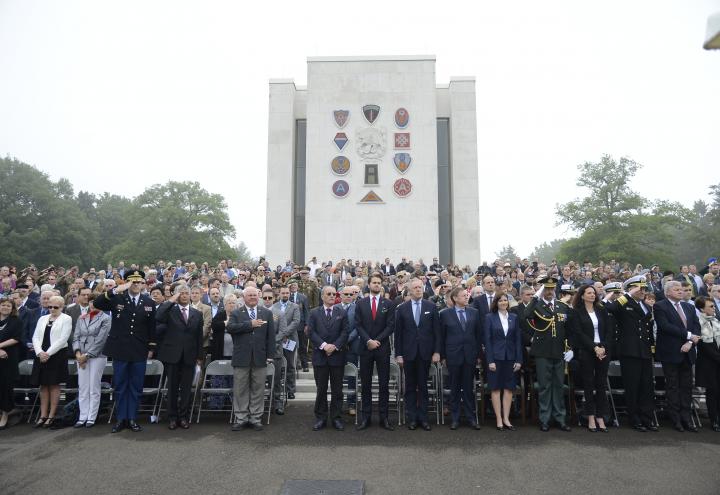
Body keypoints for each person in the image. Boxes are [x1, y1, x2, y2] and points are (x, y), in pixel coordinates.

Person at [94, 270, 157, 433]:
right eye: (132, 282)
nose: (136, 285)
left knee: (136, 386)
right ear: (127, 283)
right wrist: (116, 289)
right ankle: (121, 418)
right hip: (120, 348)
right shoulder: (117, 298)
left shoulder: (148, 301)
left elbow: (151, 328)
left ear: (143, 283)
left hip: (139, 349)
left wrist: (151, 347)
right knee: (121, 385)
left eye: (139, 282)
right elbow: (98, 303)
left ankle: (132, 418)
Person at [605, 275, 656, 431]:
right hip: (629, 351)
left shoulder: (645, 306)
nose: (643, 291)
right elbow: (608, 307)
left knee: (646, 386)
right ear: (631, 288)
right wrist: (626, 295)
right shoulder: (623, 303)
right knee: (632, 386)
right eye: (640, 288)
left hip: (645, 351)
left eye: (644, 288)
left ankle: (647, 418)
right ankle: (635, 419)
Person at [523, 276, 571, 432]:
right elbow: (526, 315)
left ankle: (560, 418)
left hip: (559, 351)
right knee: (544, 387)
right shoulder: (537, 305)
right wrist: (536, 296)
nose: (550, 292)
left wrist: (570, 348)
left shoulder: (562, 306)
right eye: (547, 289)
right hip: (542, 352)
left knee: (558, 386)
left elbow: (569, 329)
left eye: (552, 289)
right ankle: (545, 419)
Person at [654, 280, 701, 432]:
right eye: (677, 289)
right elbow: (665, 326)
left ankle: (686, 418)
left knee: (686, 388)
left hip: (688, 352)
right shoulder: (660, 306)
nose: (681, 291)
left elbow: (696, 327)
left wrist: (690, 343)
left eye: (682, 289)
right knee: (673, 386)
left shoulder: (689, 306)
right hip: (671, 353)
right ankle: (675, 419)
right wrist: (688, 335)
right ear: (668, 292)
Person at [394, 277, 441, 430]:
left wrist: (436, 352)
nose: (418, 290)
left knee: (423, 386)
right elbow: (398, 334)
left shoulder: (431, 306)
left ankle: (424, 418)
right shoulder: (402, 308)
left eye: (420, 287)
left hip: (425, 353)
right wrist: (399, 354)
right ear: (409, 290)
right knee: (410, 387)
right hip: (408, 354)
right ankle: (412, 417)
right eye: (415, 288)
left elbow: (436, 333)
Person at [155, 285, 204, 430]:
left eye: (186, 293)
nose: (184, 295)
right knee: (172, 388)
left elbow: (199, 337)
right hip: (172, 356)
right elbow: (158, 316)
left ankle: (183, 417)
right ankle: (172, 417)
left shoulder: (197, 313)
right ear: (177, 295)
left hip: (189, 355)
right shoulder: (170, 311)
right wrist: (171, 300)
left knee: (186, 389)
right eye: (181, 293)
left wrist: (199, 356)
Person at [227, 287, 275, 431]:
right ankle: (241, 418)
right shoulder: (236, 312)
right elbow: (231, 328)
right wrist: (250, 324)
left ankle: (255, 418)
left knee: (258, 389)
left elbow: (270, 337)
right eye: (250, 295)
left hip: (260, 357)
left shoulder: (266, 313)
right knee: (240, 389)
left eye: (255, 295)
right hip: (241, 357)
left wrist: (270, 355)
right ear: (244, 297)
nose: (253, 297)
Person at [568, 284, 612, 432]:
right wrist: (594, 347)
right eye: (589, 293)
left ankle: (601, 416)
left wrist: (603, 347)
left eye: (594, 293)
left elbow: (608, 331)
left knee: (601, 384)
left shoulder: (602, 310)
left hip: (603, 350)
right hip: (587, 350)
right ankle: (591, 416)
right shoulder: (576, 312)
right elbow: (579, 333)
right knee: (588, 384)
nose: (592, 295)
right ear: (582, 295)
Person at [355, 273, 396, 431]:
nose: (377, 285)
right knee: (365, 384)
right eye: (374, 282)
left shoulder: (389, 303)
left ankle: (384, 418)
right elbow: (358, 325)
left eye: (379, 283)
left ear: (382, 285)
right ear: (369, 284)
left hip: (382, 348)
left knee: (383, 384)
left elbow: (390, 326)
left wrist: (376, 341)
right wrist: (368, 341)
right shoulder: (361, 303)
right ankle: (366, 417)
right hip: (365, 348)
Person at [439, 286, 482, 430]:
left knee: (468, 388)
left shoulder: (474, 312)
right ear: (455, 298)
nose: (467, 297)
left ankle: (471, 418)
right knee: (455, 388)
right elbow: (442, 337)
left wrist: (477, 355)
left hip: (469, 355)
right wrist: (443, 356)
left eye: (467, 295)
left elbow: (478, 335)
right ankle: (455, 418)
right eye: (463, 295)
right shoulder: (445, 314)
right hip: (453, 355)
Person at [308, 285, 349, 431]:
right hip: (320, 357)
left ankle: (336, 418)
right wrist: (324, 346)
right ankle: (321, 418)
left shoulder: (342, 312)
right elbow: (311, 332)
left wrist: (334, 346)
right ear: (322, 296)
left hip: (337, 356)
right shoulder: (314, 313)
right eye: (329, 294)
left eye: (334, 294)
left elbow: (345, 332)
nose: (332, 296)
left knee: (338, 390)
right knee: (321, 390)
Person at [30, 295, 72, 429]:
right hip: (41, 354)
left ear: (62, 307)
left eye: (55, 307)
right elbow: (35, 336)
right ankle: (43, 415)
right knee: (43, 385)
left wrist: (48, 353)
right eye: (50, 307)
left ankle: (51, 415)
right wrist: (39, 352)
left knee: (54, 385)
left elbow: (63, 339)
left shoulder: (66, 318)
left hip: (56, 355)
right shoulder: (42, 318)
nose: (52, 309)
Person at [484, 293, 523, 431]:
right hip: (495, 358)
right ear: (496, 302)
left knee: (509, 388)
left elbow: (517, 340)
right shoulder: (489, 318)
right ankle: (499, 419)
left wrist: (519, 360)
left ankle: (506, 418)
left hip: (510, 358)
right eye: (500, 300)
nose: (503, 302)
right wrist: (490, 360)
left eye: (506, 300)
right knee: (495, 388)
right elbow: (487, 341)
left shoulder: (514, 317)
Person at [71, 296, 111, 428]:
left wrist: (86, 356)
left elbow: (101, 340)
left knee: (94, 387)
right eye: (91, 302)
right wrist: (78, 353)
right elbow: (76, 336)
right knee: (83, 387)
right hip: (81, 355)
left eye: (96, 303)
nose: (93, 305)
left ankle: (91, 417)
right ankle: (82, 416)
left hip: (97, 356)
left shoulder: (106, 318)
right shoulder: (82, 317)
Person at [695, 296, 720, 431]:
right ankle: (714, 420)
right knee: (712, 391)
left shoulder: (716, 321)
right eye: (711, 306)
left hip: (717, 362)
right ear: (702, 309)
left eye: (714, 306)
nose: (714, 308)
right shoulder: (698, 322)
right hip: (708, 363)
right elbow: (704, 346)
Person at [273, 286, 301, 400]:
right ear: (279, 294)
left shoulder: (294, 306)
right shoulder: (274, 307)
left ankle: (290, 390)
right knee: (277, 366)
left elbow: (296, 322)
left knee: (290, 365)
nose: (285, 295)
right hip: (277, 341)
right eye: (283, 293)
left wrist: (284, 333)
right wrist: (279, 336)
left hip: (290, 340)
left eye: (287, 293)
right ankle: (277, 391)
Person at [0, 298, 23, 429]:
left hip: (8, 359)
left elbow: (16, 338)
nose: (5, 307)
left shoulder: (16, 321)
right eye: (3, 305)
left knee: (5, 387)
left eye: (8, 306)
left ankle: (5, 413)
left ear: (12, 308)